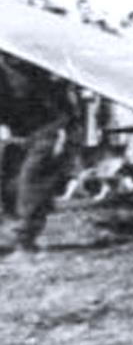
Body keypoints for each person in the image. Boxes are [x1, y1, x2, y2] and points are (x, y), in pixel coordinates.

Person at [0, 52, 75, 258]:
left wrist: (63, 131)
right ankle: (15, 232)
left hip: (48, 130)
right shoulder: (4, 70)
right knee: (11, 185)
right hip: (17, 133)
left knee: (32, 181)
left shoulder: (43, 66)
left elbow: (61, 105)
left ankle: (25, 240)